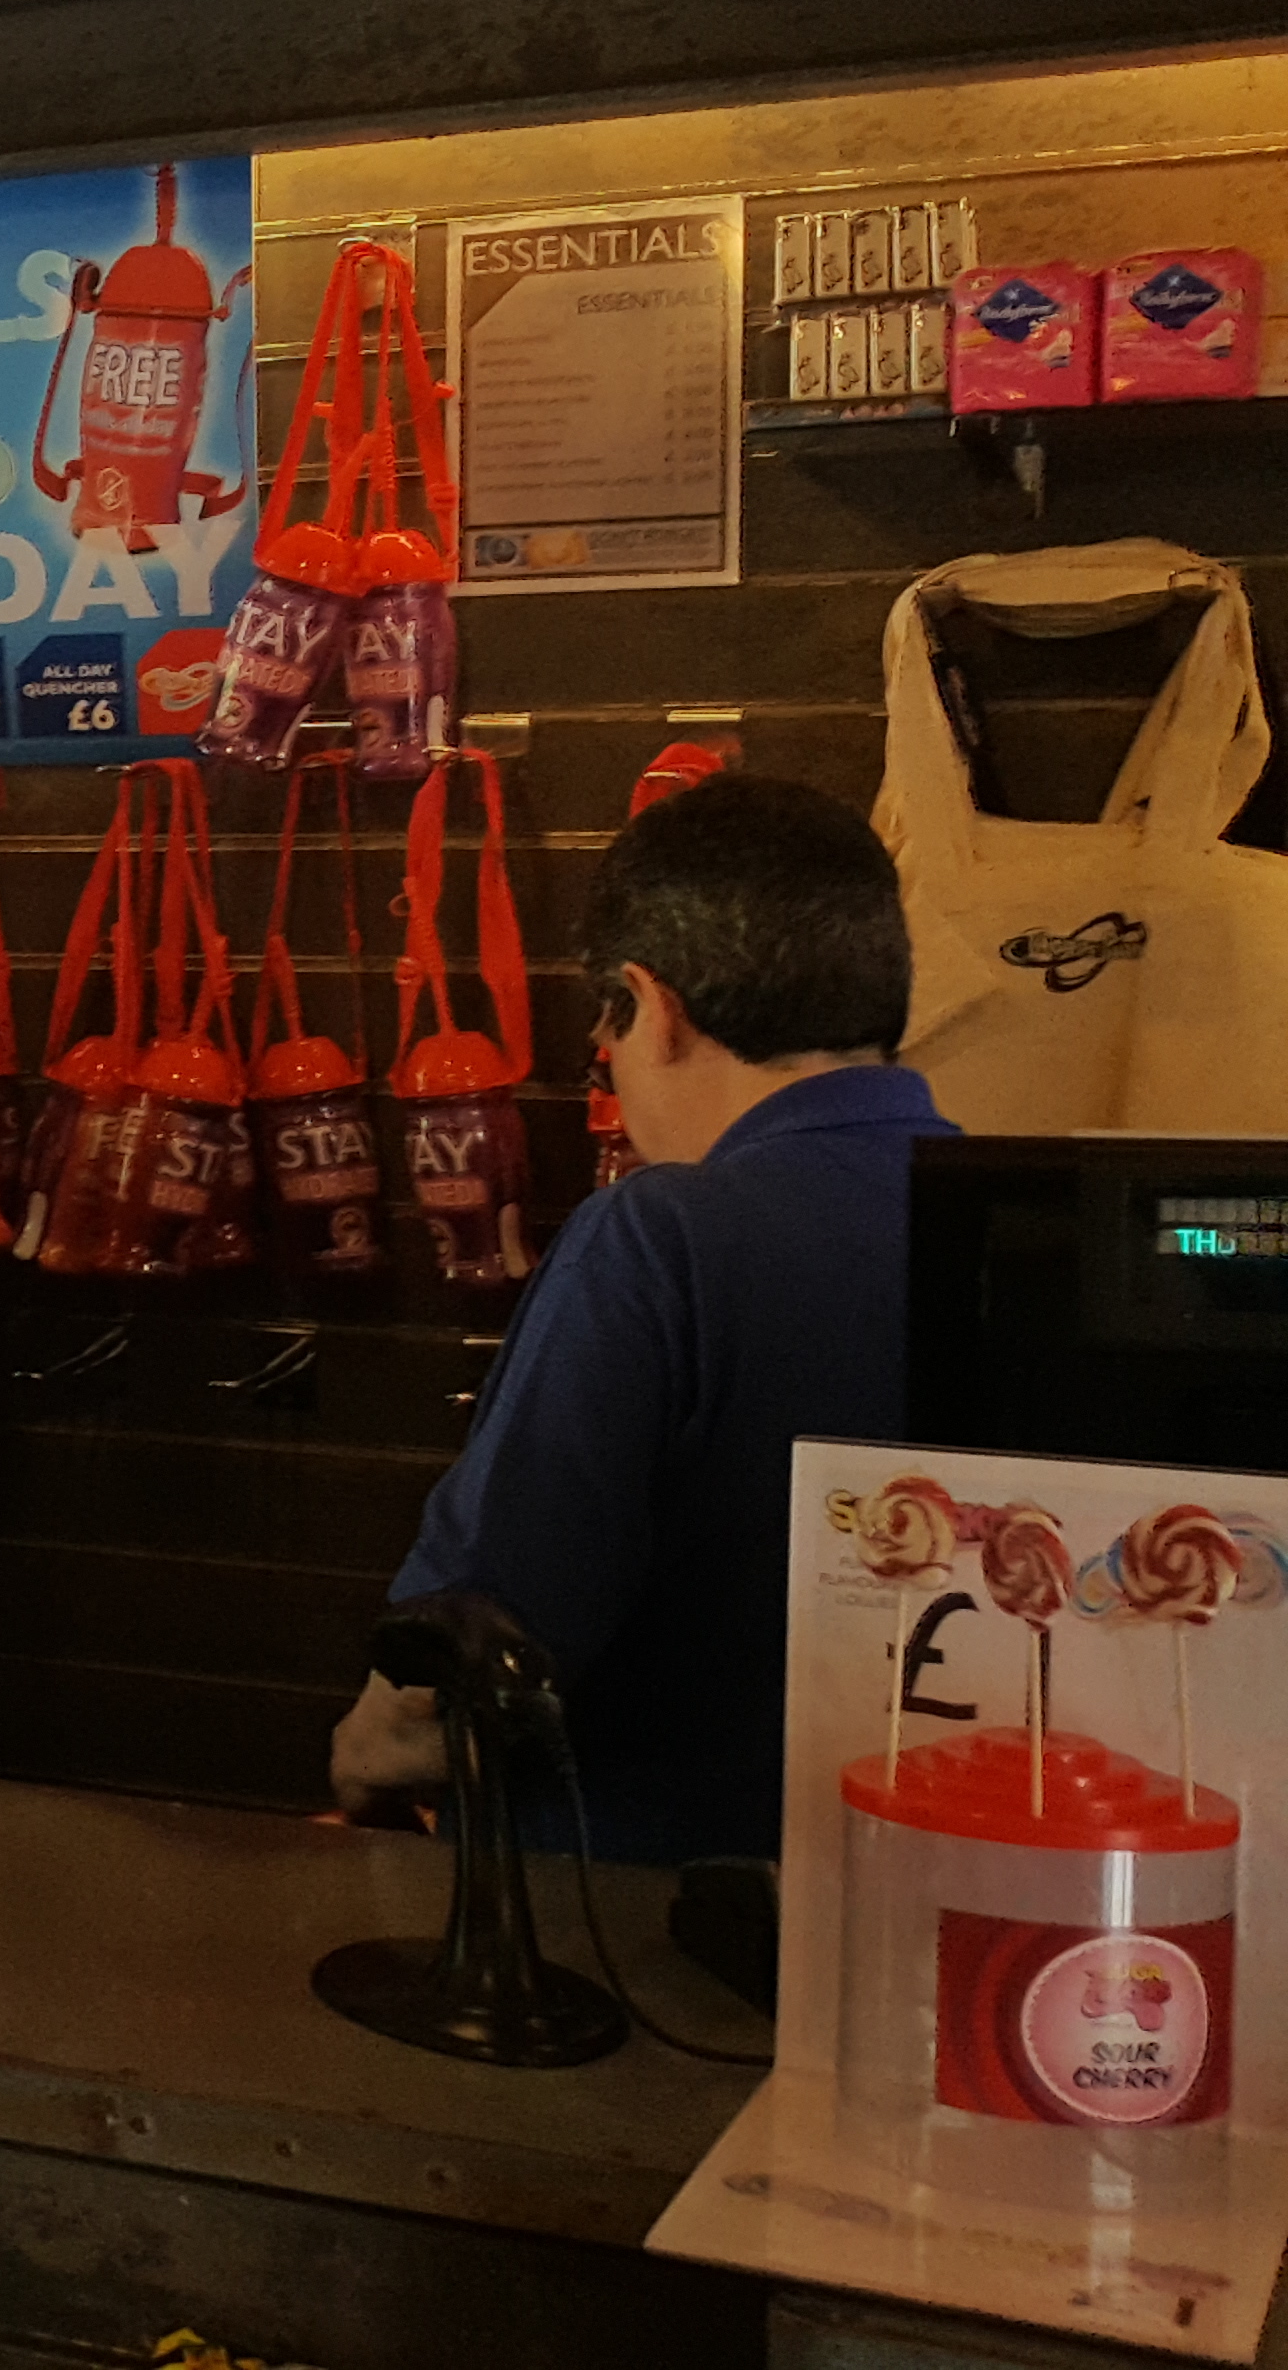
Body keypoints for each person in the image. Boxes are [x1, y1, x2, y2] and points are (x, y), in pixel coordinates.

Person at [329, 772, 954, 1865]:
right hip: (949, 1905)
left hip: (640, 1923)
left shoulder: (658, 1236)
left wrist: (357, 1764)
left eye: (604, 1037)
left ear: (650, 1007)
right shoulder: (1022, 1213)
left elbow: (459, 1665)